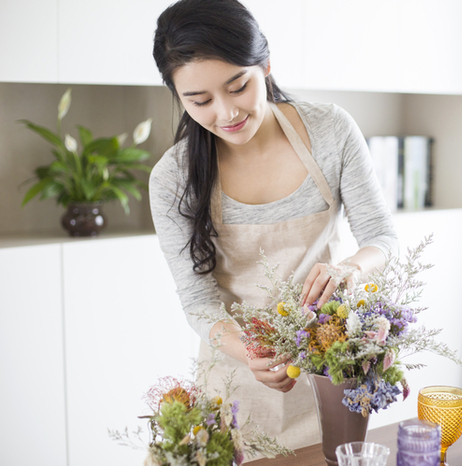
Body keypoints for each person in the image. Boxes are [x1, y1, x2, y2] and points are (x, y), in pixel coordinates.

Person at [149, 0, 399, 450]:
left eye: (238, 86)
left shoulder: (331, 132)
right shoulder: (173, 178)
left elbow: (381, 236)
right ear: (178, 96)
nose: (226, 114)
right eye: (199, 101)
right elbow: (197, 300)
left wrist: (349, 271)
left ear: (264, 64)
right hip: (235, 382)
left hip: (330, 369)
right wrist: (250, 352)